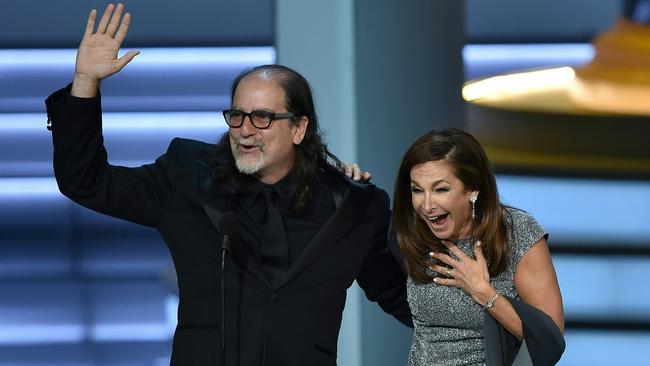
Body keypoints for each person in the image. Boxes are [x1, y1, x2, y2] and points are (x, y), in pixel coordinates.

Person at [45, 3, 411, 365]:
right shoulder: (186, 176)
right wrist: (85, 83)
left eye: (263, 117)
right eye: (237, 115)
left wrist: (468, 316)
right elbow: (86, 181)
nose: (245, 130)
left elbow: (401, 296)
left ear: (299, 128)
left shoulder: (352, 206)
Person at [392, 129, 565, 366]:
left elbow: (550, 338)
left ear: (473, 190)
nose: (427, 204)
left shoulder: (515, 232)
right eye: (417, 190)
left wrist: (484, 293)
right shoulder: (414, 232)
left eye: (441, 189)